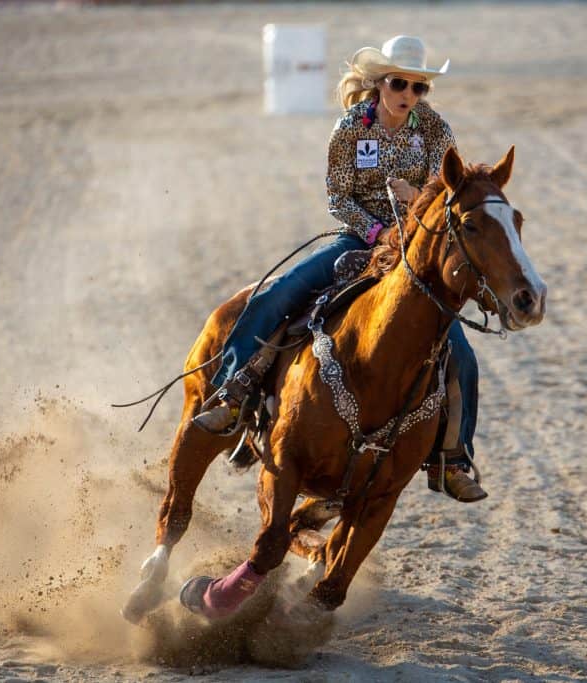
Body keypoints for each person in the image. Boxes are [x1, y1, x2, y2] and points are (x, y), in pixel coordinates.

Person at [194, 35, 487, 503]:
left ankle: (452, 458)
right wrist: (376, 233)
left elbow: (443, 195)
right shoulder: (350, 128)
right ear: (379, 84)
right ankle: (232, 393)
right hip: (359, 238)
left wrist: (414, 207)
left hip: (416, 254)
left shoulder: (435, 131)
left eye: (418, 87)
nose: (408, 94)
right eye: (399, 83)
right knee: (280, 294)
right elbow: (338, 197)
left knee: (462, 356)